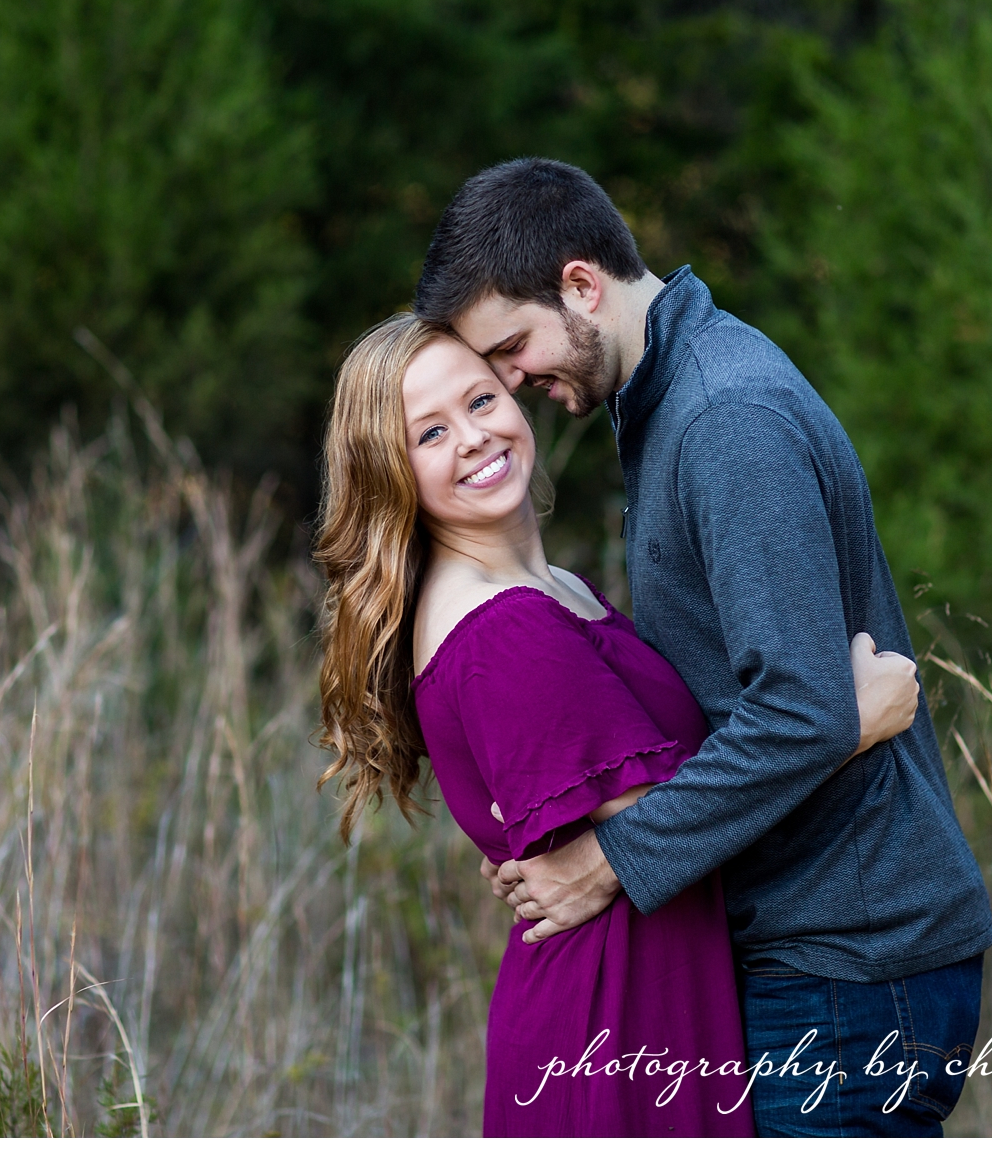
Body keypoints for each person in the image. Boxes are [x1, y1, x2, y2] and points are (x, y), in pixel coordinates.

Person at [412, 157, 992, 1137]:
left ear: (580, 286)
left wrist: (608, 857)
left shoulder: (721, 419)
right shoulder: (665, 397)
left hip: (842, 965)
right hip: (819, 948)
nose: (512, 383)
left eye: (510, 349)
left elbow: (799, 709)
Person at [312, 315, 919, 1136]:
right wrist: (847, 722)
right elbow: (675, 821)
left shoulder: (555, 587)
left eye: (481, 399)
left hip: (659, 996)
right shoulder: (497, 631)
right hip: (610, 1027)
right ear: (390, 471)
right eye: (429, 432)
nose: (472, 437)